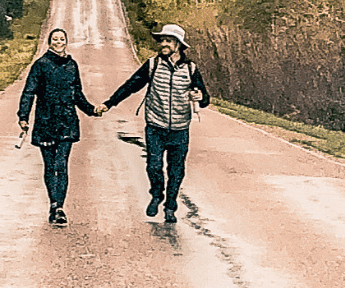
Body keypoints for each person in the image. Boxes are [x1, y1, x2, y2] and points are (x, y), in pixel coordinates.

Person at [102, 23, 210, 224]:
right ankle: (156, 194)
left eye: (168, 40)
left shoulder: (191, 69)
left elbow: (204, 99)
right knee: (153, 166)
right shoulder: (152, 65)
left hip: (180, 129)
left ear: (178, 44)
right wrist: (110, 103)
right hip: (155, 126)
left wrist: (199, 96)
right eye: (162, 40)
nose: (163, 44)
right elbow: (131, 86)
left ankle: (170, 207)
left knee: (176, 171)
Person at [18, 27, 102, 225]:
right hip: (46, 122)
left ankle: (60, 208)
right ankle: (53, 204)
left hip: (67, 123)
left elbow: (77, 94)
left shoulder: (72, 66)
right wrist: (23, 116)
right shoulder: (40, 65)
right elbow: (29, 91)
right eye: (55, 39)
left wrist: (91, 110)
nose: (58, 42)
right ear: (49, 42)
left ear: (66, 41)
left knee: (61, 165)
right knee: (49, 166)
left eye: (61, 39)